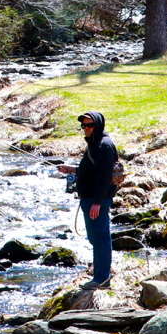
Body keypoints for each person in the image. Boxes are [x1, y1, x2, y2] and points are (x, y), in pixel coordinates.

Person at [55, 111, 117, 289]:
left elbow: (105, 177)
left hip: (96, 201)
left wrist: (97, 202)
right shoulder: (94, 144)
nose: (86, 128)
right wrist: (72, 169)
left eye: (89, 125)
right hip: (90, 199)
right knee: (95, 238)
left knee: (100, 239)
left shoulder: (104, 146)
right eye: (84, 125)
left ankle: (102, 279)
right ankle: (100, 276)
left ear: (97, 125)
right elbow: (91, 170)